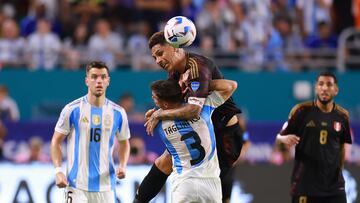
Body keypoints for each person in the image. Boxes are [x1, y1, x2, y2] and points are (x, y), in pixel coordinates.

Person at [134, 31, 244, 203]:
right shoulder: (175, 72)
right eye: (154, 57)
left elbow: (194, 110)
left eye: (160, 54)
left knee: (171, 161)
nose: (157, 61)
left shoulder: (197, 67)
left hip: (224, 134)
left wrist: (161, 113)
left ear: (174, 46)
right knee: (166, 160)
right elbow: (176, 100)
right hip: (201, 126)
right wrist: (158, 110)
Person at [51, 61, 131, 203]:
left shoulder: (118, 113)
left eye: (103, 77)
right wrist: (58, 171)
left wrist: (123, 165)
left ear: (108, 81)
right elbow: (56, 141)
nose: (98, 81)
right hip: (76, 185)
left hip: (106, 186)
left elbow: (124, 143)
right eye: (94, 77)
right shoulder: (72, 109)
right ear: (87, 81)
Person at [150, 78, 237, 202]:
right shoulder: (203, 108)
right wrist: (198, 85)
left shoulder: (160, 125)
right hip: (211, 186)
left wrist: (157, 114)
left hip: (184, 186)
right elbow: (231, 85)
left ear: (164, 104)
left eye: (154, 97)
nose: (153, 100)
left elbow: (167, 114)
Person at [276, 72, 352, 203]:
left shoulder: (343, 116)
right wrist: (283, 141)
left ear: (336, 90)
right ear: (316, 88)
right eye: (321, 84)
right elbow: (280, 139)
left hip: (334, 188)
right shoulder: (301, 111)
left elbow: (341, 147)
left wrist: (340, 172)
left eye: (329, 84)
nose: (324, 88)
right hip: (305, 187)